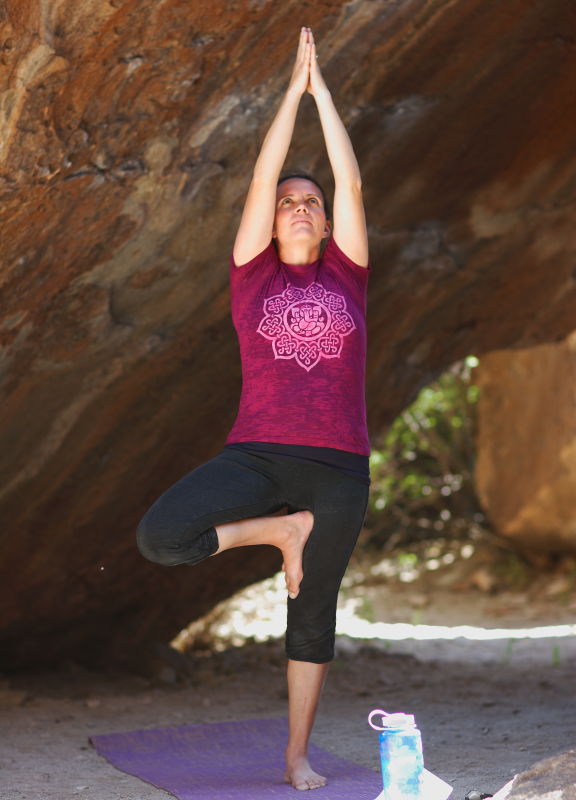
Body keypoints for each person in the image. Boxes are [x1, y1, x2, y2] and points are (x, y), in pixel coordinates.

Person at [136, 27, 371, 791]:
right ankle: (277, 531)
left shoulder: (349, 276)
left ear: (327, 223)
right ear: (270, 224)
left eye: (311, 203)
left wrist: (324, 97)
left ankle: (296, 756)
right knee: (161, 536)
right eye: (288, 204)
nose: (300, 207)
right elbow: (261, 176)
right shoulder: (251, 279)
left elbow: (353, 183)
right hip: (259, 454)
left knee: (312, 614)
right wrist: (287, 98)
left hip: (338, 468)